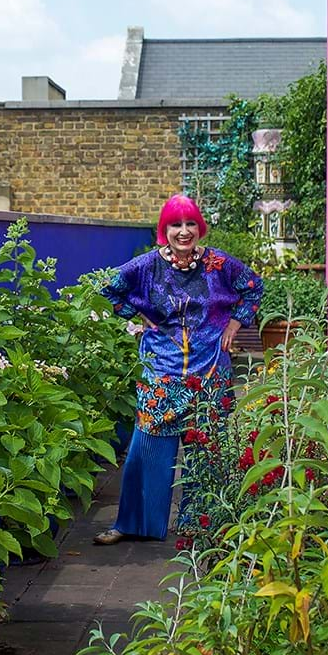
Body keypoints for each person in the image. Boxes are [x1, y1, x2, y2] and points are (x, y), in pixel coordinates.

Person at [93, 194, 263, 544]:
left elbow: (253, 286)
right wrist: (137, 316)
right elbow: (108, 289)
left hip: (211, 371)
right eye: (175, 225)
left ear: (199, 228)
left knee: (207, 451)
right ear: (164, 229)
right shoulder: (145, 266)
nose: (183, 232)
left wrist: (235, 324)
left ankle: (199, 525)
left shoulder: (219, 264)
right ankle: (134, 525)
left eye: (190, 224)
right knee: (148, 448)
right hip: (162, 370)